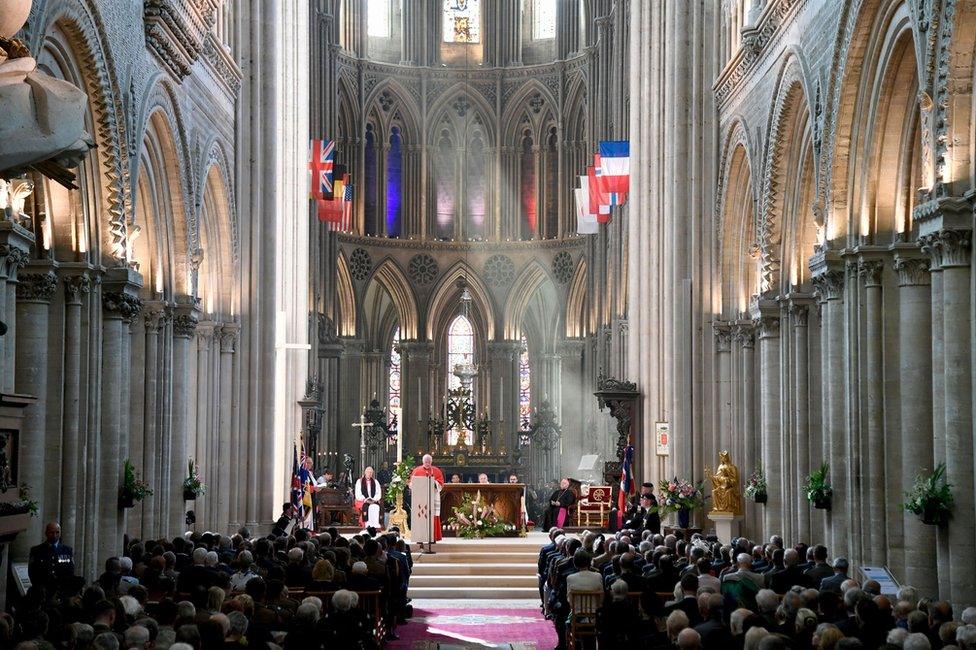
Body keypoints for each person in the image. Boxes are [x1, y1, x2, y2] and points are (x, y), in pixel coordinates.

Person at [28, 522, 76, 590]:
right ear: (46, 533)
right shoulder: (36, 551)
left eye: (57, 532)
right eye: (51, 532)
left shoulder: (67, 550)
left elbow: (71, 571)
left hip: (61, 591)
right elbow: (32, 572)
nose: (54, 535)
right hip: (43, 590)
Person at [409, 454, 445, 543]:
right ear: (423, 462)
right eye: (426, 462)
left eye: (429, 462)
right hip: (420, 499)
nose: (427, 464)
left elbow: (440, 483)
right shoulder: (416, 470)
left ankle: (433, 538)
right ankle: (420, 537)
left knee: (433, 517)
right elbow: (411, 483)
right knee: (420, 517)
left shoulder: (436, 471)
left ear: (431, 462)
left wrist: (434, 482)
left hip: (432, 498)